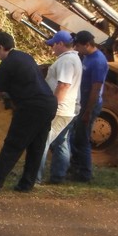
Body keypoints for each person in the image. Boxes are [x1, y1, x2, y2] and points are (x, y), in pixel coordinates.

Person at [0, 31, 57, 193]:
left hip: (30, 107)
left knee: (13, 145)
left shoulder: (7, 63)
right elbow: (21, 84)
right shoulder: (24, 56)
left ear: (1, 47)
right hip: (48, 104)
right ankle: (26, 184)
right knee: (36, 146)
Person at [36, 30, 82, 185]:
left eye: (53, 45)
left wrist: (52, 107)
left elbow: (63, 85)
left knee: (42, 140)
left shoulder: (66, 61)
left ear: (61, 44)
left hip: (60, 109)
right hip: (68, 109)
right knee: (61, 142)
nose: (52, 49)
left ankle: (35, 177)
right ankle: (58, 175)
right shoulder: (74, 58)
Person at [69, 30, 109, 182]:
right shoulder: (87, 56)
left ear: (87, 44)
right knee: (76, 137)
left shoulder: (98, 61)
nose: (76, 48)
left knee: (82, 139)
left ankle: (85, 173)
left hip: (89, 105)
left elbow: (96, 88)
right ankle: (76, 167)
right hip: (83, 103)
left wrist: (87, 112)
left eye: (78, 46)